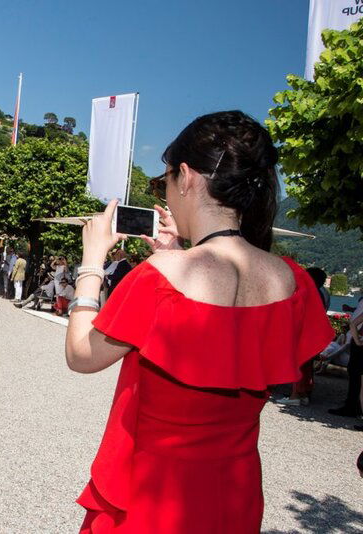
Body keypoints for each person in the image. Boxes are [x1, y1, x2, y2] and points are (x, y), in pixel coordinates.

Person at [65, 111, 334, 532]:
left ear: (186, 176)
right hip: (234, 495)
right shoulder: (293, 282)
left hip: (154, 497)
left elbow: (82, 355)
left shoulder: (157, 278)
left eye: (165, 181)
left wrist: (91, 263)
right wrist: (179, 249)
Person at [276, 267, 331, 406]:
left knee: (298, 363)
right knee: (307, 366)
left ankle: (295, 395)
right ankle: (304, 393)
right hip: (314, 333)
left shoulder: (307, 293)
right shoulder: (322, 294)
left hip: (303, 332)